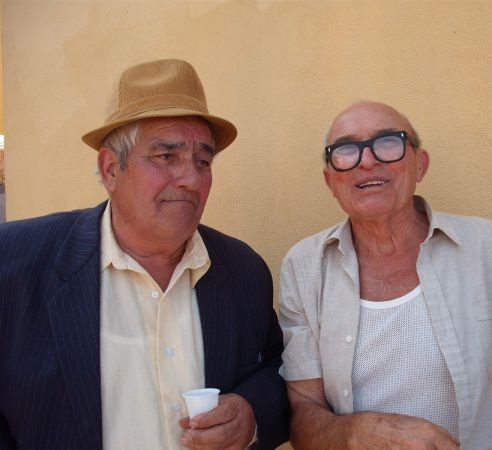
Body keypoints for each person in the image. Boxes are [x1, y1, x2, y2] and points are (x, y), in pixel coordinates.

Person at [0, 58, 289, 450]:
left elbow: (278, 372)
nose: (191, 179)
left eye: (203, 161)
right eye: (166, 157)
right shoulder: (15, 263)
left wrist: (250, 414)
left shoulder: (243, 270)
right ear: (110, 169)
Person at [278, 101, 492, 450]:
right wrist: (357, 432)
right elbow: (304, 414)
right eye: (346, 149)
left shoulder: (487, 247)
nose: (367, 161)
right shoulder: (303, 267)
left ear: (421, 164)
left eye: (388, 141)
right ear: (330, 180)